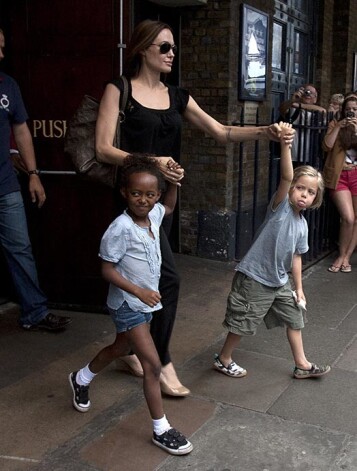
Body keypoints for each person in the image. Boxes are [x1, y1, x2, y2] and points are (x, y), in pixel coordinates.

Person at [95, 19, 294, 395]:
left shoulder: (178, 97)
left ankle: (131, 349)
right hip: (131, 202)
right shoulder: (119, 89)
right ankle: (162, 361)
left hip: (163, 204)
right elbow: (103, 148)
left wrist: (266, 131)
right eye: (164, 47)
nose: (172, 54)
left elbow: (222, 131)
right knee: (164, 278)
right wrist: (153, 161)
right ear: (142, 49)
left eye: (173, 47)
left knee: (150, 275)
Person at [69, 154, 193, 455]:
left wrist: (175, 183)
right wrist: (139, 291)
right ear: (125, 192)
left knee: (121, 348)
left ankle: (81, 377)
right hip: (128, 303)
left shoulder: (154, 215)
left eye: (150, 195)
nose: (143, 200)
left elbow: (170, 207)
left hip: (144, 304)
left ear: (157, 195)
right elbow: (107, 270)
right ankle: (161, 428)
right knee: (151, 365)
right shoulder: (120, 228)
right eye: (136, 194)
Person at [213, 122, 331, 380]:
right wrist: (285, 145)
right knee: (244, 321)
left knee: (295, 318)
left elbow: (297, 256)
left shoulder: (302, 225)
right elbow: (286, 176)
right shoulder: (281, 208)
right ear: (291, 190)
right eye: (300, 188)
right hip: (255, 277)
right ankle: (223, 359)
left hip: (280, 281)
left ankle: (302, 364)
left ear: (315, 199)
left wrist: (299, 288)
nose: (304, 194)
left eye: (310, 192)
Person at [0, 28, 71, 331]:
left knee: (21, 249)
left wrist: (33, 175)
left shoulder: (8, 86)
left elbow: (22, 131)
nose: (2, 55)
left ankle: (35, 312)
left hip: (5, 186)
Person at [323, 95, 357, 273]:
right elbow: (326, 146)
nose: (351, 111)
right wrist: (338, 126)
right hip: (340, 176)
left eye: (355, 109)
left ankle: (346, 257)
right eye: (349, 109)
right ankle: (340, 254)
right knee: (348, 218)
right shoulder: (335, 124)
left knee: (356, 219)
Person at [279, 84, 326, 165]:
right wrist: (292, 100)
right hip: (292, 155)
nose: (308, 94)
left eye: (311, 93)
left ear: (315, 98)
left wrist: (299, 105)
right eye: (306, 91)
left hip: (310, 156)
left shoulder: (316, 111)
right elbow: (281, 109)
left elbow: (323, 111)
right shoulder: (293, 110)